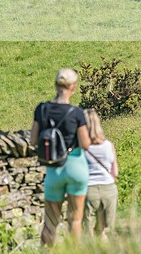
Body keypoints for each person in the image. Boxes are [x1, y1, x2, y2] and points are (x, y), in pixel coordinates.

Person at [30, 69, 91, 246]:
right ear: (73, 87)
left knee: (50, 223)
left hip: (54, 169)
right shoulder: (77, 113)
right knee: (75, 221)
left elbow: (33, 140)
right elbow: (85, 144)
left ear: (56, 85)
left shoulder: (41, 110)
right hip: (76, 168)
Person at [82, 109, 118, 240]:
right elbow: (115, 172)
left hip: (89, 189)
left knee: (88, 230)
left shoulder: (82, 148)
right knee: (103, 230)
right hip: (108, 189)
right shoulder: (109, 145)